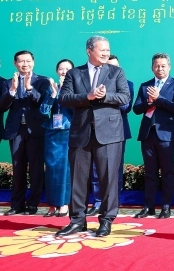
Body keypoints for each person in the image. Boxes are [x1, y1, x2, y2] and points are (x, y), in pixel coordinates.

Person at [56, 35, 130, 238]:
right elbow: (64, 98)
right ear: (89, 51)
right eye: (102, 50)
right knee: (78, 179)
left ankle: (106, 220)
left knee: (108, 179)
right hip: (81, 132)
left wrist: (105, 96)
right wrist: (87, 97)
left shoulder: (116, 72)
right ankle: (77, 221)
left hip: (109, 133)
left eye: (108, 50)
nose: (106, 53)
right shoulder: (74, 73)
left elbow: (125, 97)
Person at [132, 53, 174, 219]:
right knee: (150, 172)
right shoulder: (145, 86)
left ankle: (166, 206)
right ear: (152, 67)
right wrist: (149, 101)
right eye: (156, 66)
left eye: (163, 66)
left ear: (169, 67)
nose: (160, 69)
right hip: (148, 134)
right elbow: (136, 108)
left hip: (167, 135)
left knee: (167, 172)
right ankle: (149, 206)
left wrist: (158, 98)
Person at [0, 50, 50, 215]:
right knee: (18, 168)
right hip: (16, 130)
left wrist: (29, 88)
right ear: (15, 63)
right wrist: (12, 91)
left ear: (33, 62)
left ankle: (33, 204)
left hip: (36, 130)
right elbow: (2, 106)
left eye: (28, 61)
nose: (25, 64)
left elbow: (42, 103)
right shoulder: (8, 83)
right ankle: (16, 205)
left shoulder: (42, 81)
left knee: (36, 168)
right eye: (21, 61)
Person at [87, 54, 133, 215]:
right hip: (96, 130)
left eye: (115, 66)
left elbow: (126, 107)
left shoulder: (127, 84)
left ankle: (114, 202)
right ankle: (98, 202)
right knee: (95, 168)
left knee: (115, 169)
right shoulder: (93, 84)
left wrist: (107, 96)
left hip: (117, 131)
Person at [40, 59, 74, 217]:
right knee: (51, 169)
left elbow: (76, 110)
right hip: (52, 133)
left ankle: (64, 203)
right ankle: (52, 204)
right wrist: (53, 94)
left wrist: (64, 92)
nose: (64, 71)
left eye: (67, 69)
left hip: (68, 131)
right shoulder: (50, 88)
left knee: (65, 169)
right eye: (61, 69)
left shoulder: (75, 88)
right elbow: (43, 111)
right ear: (56, 71)